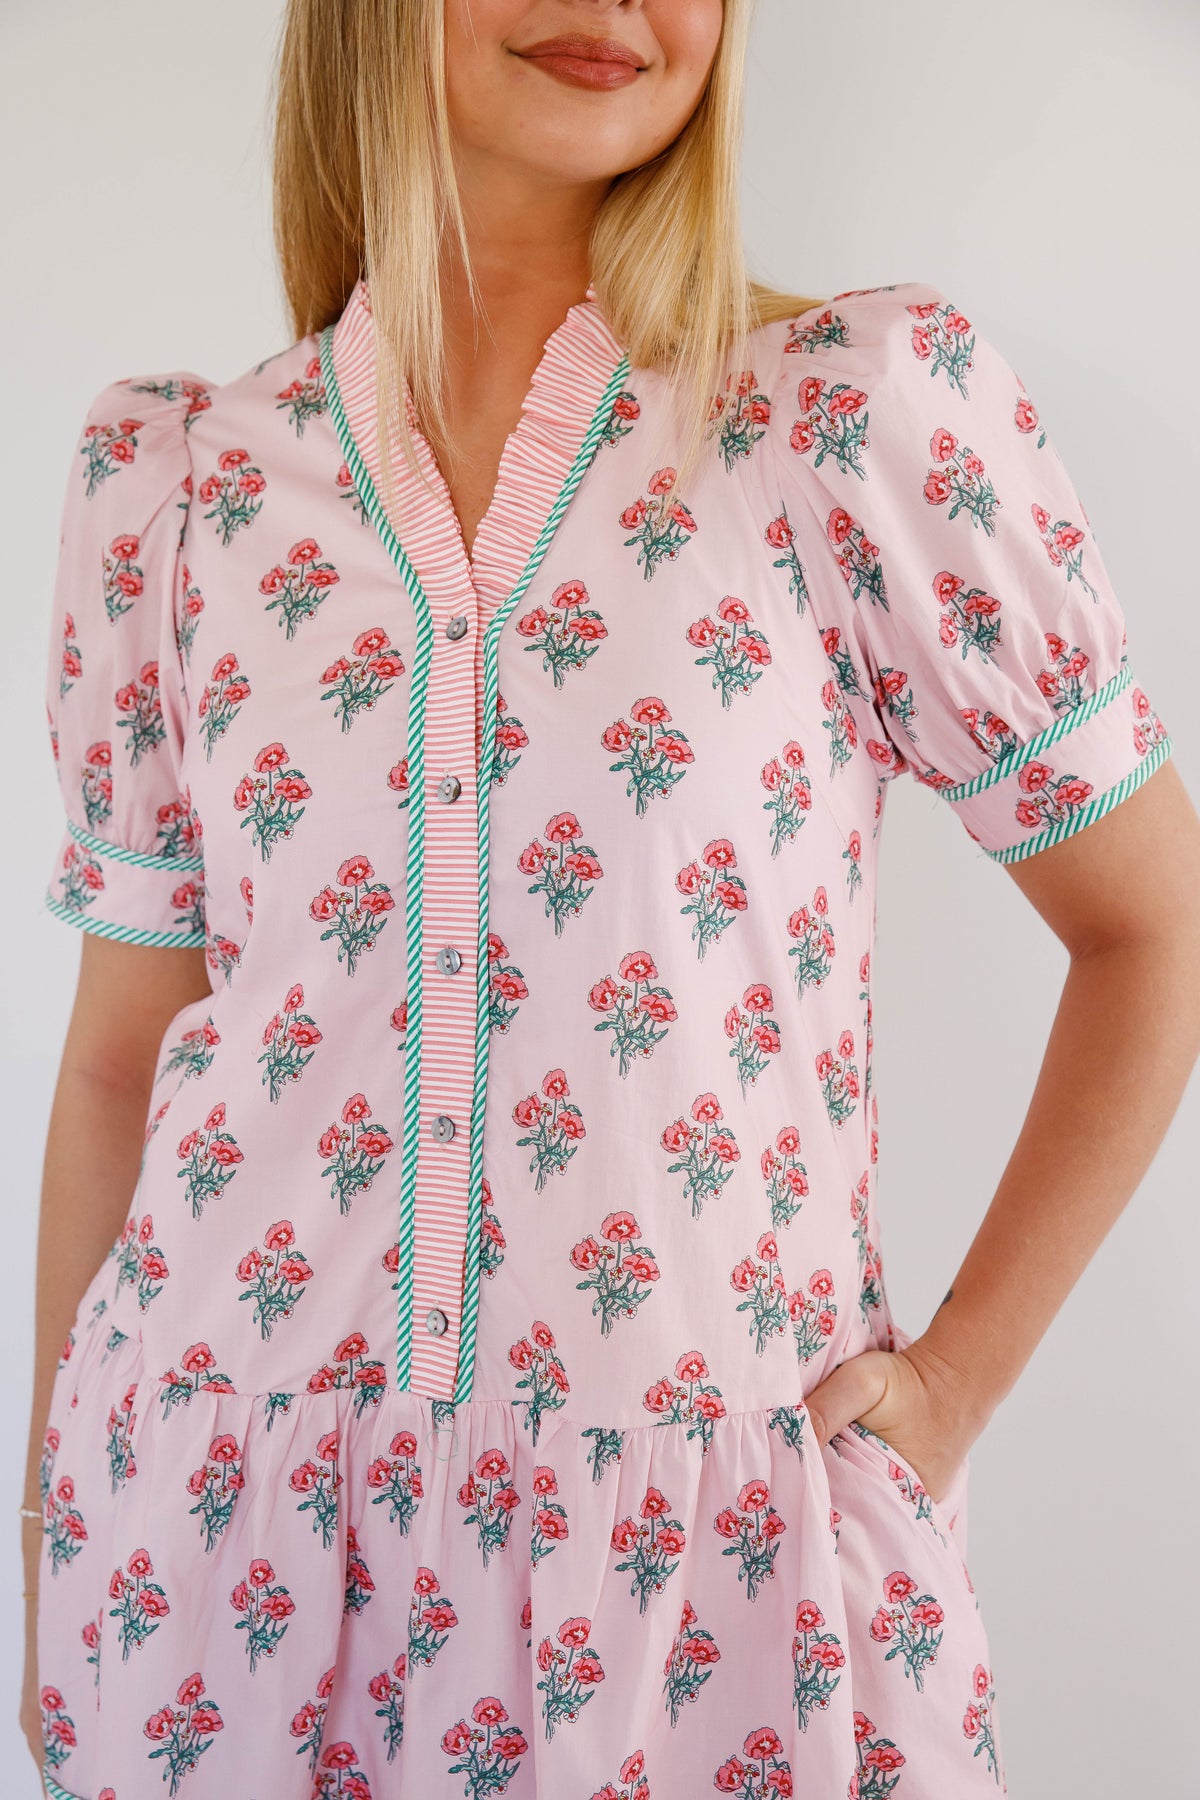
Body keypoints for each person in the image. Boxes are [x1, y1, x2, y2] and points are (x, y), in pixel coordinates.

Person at [22, 2, 1200, 1795]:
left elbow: (1154, 924)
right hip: (212, 1573)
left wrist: (955, 1385)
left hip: (707, 1600)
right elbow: (123, 1053)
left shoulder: (842, 422)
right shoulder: (181, 492)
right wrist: (59, 1516)